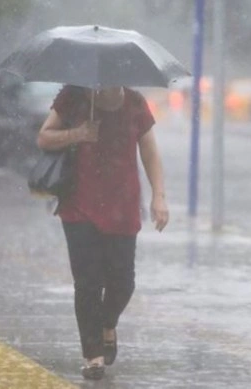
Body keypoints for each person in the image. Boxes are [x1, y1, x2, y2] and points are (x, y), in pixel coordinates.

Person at [36, 85, 169, 380]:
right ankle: (92, 355)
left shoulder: (135, 103)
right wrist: (77, 134)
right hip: (79, 206)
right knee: (88, 283)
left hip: (123, 206)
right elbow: (44, 137)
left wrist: (159, 195)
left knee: (123, 282)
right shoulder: (74, 96)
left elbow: (149, 152)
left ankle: (108, 323)